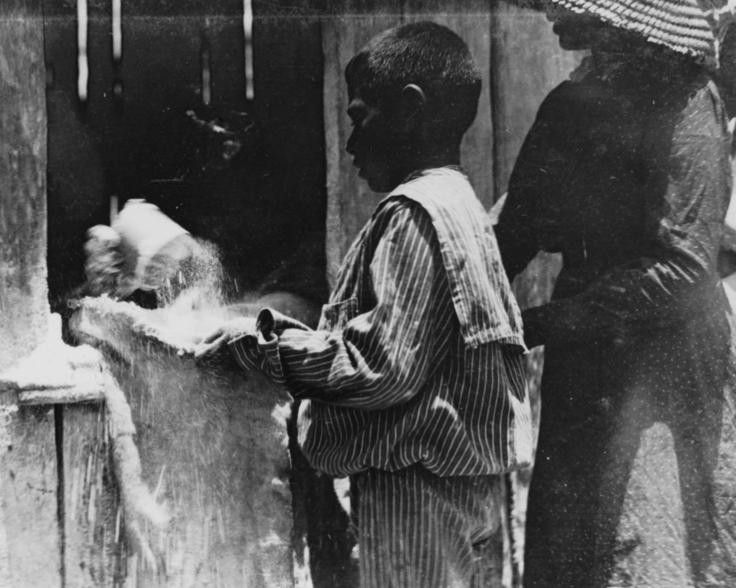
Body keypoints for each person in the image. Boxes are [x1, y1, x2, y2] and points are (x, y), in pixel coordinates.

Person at [197, 22, 532, 587]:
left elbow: (380, 369)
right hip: (454, 484)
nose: (350, 143)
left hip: (413, 487)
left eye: (359, 118)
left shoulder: (412, 215)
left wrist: (263, 351)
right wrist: (278, 328)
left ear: (409, 110)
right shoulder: (460, 204)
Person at [495, 2, 736, 586]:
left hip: (666, 356)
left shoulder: (688, 104)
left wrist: (545, 323)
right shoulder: (568, 106)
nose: (553, 18)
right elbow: (517, 230)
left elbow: (684, 267)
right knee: (577, 533)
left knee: (653, 533)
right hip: (587, 358)